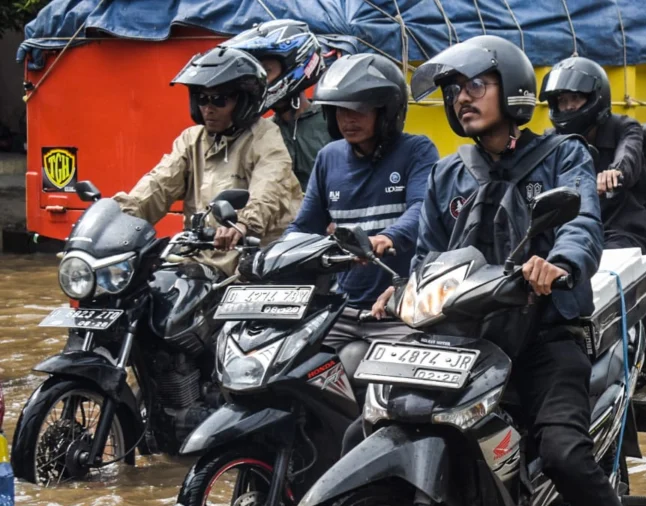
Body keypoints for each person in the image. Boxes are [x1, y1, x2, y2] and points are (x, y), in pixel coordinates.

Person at [381, 35, 646, 506]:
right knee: (375, 424)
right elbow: (430, 253)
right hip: (464, 342)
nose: (462, 98)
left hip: (546, 336)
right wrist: (402, 288)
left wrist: (558, 264)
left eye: (477, 85)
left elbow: (582, 222)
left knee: (562, 452)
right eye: (455, 90)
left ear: (516, 91)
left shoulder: (563, 156)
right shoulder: (447, 174)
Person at [283, 53, 438, 352]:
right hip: (342, 310)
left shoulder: (416, 150)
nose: (348, 119)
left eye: (360, 109)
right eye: (340, 109)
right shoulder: (329, 158)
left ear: (387, 111)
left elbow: (422, 209)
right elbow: (305, 226)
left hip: (400, 308)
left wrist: (388, 236)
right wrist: (273, 256)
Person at [113, 47, 302, 278]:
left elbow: (268, 187)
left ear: (244, 101)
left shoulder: (264, 136)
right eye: (202, 99)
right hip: (201, 258)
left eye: (219, 100)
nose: (208, 108)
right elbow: (158, 184)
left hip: (256, 259)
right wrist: (118, 219)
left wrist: (243, 224)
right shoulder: (192, 139)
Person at [540, 56, 646, 253]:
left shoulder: (624, 128)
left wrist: (614, 173)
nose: (568, 106)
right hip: (572, 234)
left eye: (575, 98)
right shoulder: (552, 140)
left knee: (606, 271)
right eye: (562, 100)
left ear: (596, 96)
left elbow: (628, 155)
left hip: (620, 230)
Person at [221, 19, 332, 187]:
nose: (259, 80)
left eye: (266, 71)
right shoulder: (258, 132)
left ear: (293, 65)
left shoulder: (334, 122)